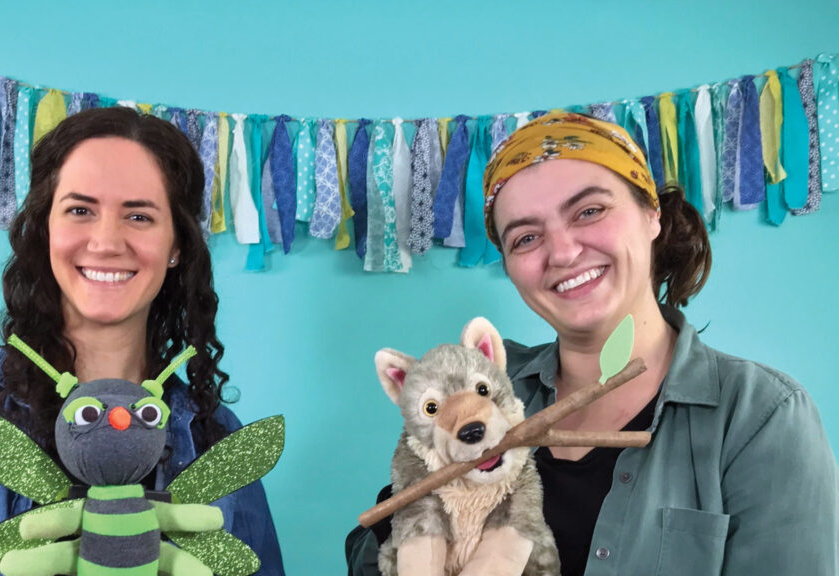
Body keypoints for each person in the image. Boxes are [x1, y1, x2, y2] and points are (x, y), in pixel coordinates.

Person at [346, 112, 838, 576]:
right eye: (525, 238)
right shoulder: (484, 387)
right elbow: (376, 540)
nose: (562, 251)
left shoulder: (761, 417)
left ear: (651, 215)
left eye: (589, 210)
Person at [0, 107, 285, 576]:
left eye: (139, 216)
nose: (106, 241)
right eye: (80, 210)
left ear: (177, 245)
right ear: (46, 228)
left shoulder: (216, 437)